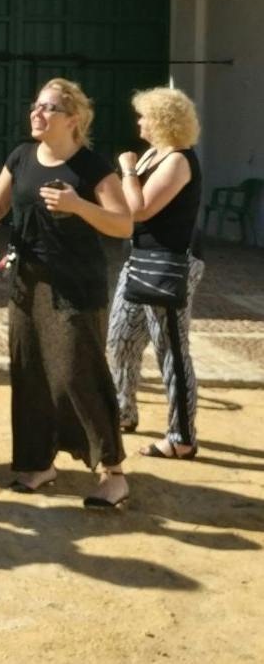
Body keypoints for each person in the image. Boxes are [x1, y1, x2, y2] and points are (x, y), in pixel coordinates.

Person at [0, 78, 132, 508]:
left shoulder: (92, 167)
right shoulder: (21, 156)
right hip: (26, 283)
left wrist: (79, 206)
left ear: (73, 119)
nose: (35, 114)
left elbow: (123, 224)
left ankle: (112, 473)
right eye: (35, 106)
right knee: (30, 374)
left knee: (75, 375)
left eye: (47, 108)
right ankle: (38, 463)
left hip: (75, 286)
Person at [106, 87, 204, 460]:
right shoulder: (153, 154)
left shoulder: (179, 160)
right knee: (120, 338)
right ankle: (123, 410)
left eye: (145, 116)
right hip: (140, 258)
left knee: (171, 350)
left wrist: (128, 169)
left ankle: (182, 437)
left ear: (163, 120)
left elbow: (142, 208)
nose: (139, 122)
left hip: (171, 265)